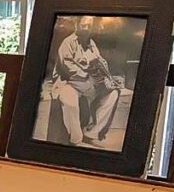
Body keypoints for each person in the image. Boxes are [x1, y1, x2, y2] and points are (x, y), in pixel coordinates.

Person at [45, 16, 121, 146]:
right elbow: (68, 68)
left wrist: (104, 72)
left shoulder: (91, 43)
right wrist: (88, 71)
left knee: (112, 94)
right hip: (68, 82)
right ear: (77, 25)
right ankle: (76, 140)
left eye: (89, 26)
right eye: (83, 25)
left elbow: (100, 60)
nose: (86, 29)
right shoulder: (68, 43)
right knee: (69, 100)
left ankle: (92, 133)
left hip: (88, 84)